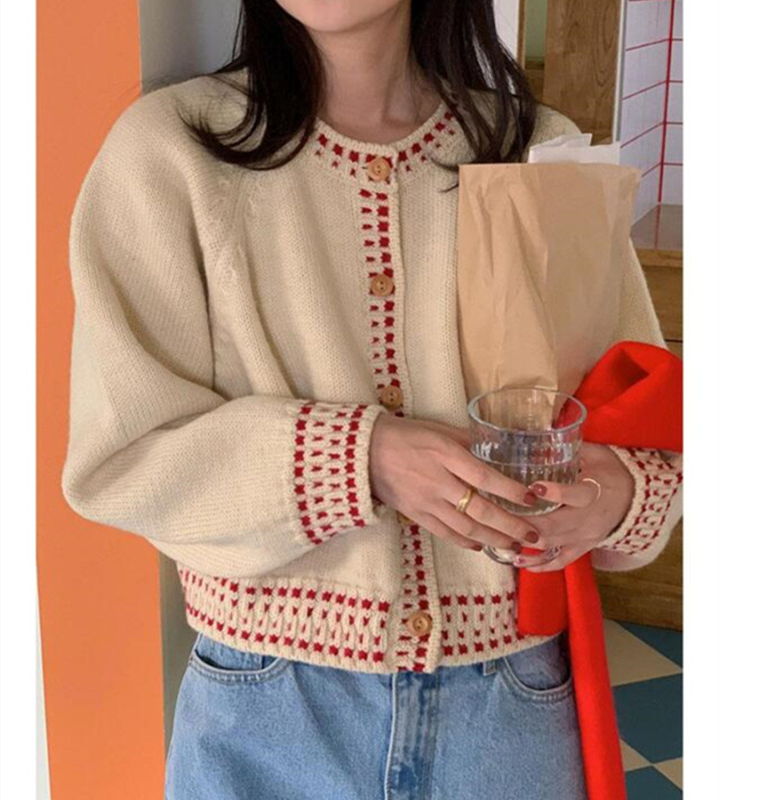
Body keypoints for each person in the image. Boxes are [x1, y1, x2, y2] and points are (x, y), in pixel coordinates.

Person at [60, 1, 683, 798]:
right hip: (268, 712)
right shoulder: (168, 152)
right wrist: (362, 456)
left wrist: (617, 496)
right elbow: (121, 460)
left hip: (511, 708)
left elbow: (644, 419)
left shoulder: (537, 147)